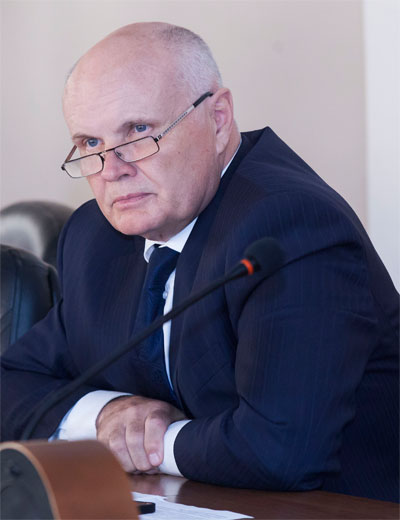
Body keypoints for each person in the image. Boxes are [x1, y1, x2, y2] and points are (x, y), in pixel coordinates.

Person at [1, 22, 398, 502]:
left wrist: (150, 442)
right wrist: (107, 414)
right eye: (89, 144)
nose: (112, 169)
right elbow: (12, 383)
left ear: (218, 119)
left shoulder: (288, 225)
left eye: (139, 131)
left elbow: (280, 449)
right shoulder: (95, 236)